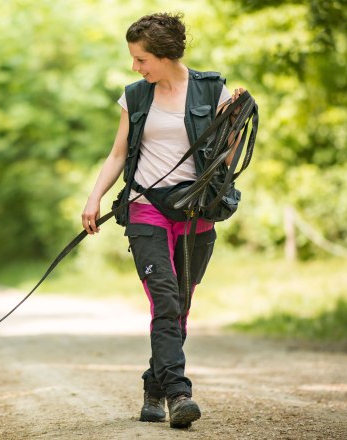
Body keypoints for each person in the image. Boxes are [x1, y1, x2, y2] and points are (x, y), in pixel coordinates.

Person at [81, 12, 245, 429]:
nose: (135, 67)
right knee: (165, 300)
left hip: (195, 212)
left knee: (181, 304)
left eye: (141, 59)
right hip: (145, 208)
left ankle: (153, 387)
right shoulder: (135, 96)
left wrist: (235, 120)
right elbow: (118, 154)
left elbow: (225, 157)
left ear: (166, 55)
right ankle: (178, 393)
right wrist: (94, 197)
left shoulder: (212, 90)